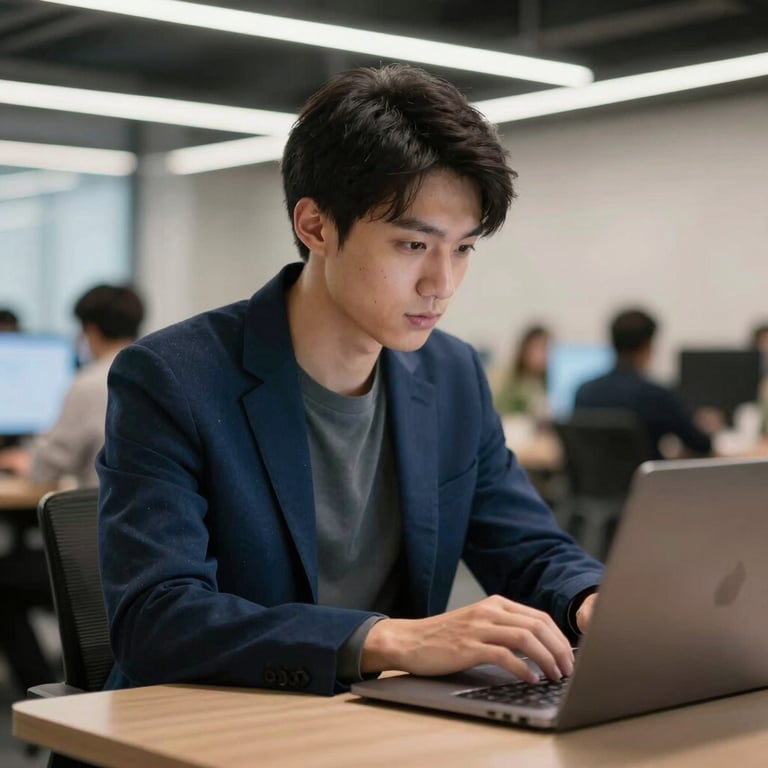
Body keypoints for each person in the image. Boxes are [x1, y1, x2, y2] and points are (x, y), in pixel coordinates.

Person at [98, 64, 604, 696]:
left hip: (377, 726)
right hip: (211, 725)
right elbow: (156, 618)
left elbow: (528, 548)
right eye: (412, 246)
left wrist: (593, 600)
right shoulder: (173, 378)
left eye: (464, 248)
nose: (441, 284)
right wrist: (389, 639)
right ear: (315, 227)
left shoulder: (451, 374)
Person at [0, 284, 144, 486]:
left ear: (90, 330)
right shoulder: (153, 375)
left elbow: (48, 468)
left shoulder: (90, 383)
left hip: (99, 512)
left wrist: (24, 462)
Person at [575, 308, 712, 459]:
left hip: (596, 483)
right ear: (647, 347)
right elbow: (701, 445)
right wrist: (706, 426)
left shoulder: (584, 392)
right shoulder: (656, 396)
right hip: (647, 482)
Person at [495, 324, 551, 420]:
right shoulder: (510, 379)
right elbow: (499, 411)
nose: (541, 355)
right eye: (536, 347)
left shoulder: (549, 382)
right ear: (524, 349)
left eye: (544, 348)